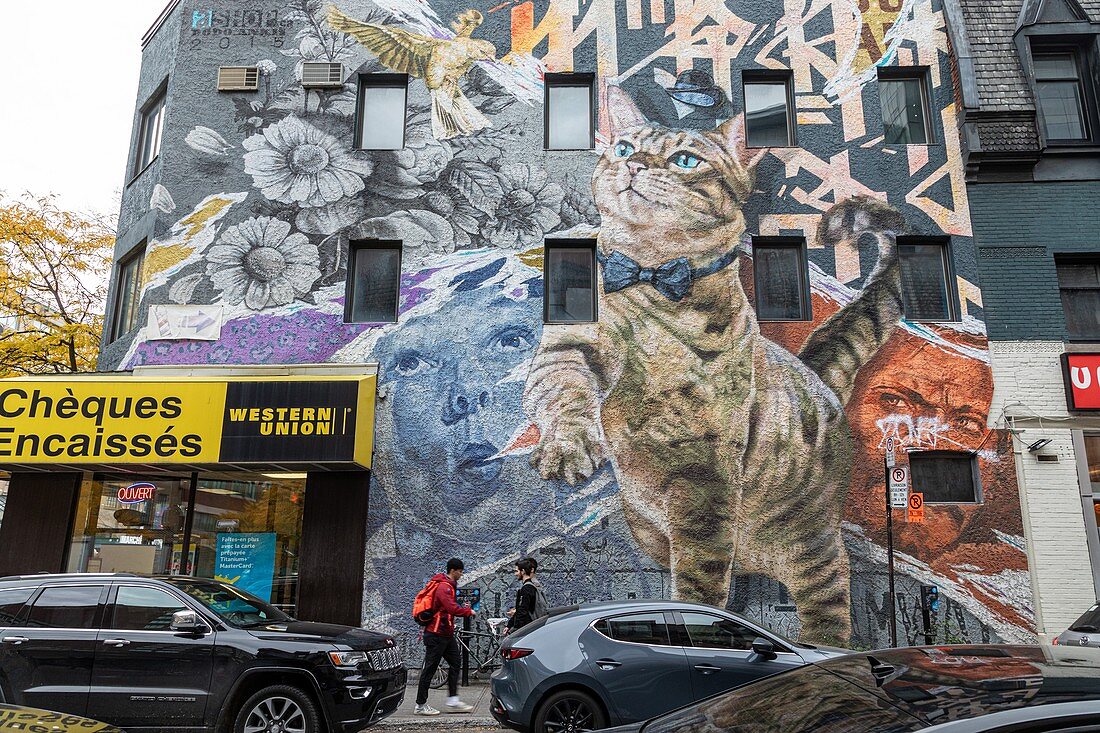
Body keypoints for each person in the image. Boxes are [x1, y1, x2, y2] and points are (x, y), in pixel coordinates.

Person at [415, 558, 476, 716]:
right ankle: (420, 705)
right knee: (430, 669)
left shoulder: (449, 586)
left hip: (446, 634)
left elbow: (447, 610)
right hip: (436, 634)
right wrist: (468, 612)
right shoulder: (444, 587)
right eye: (460, 571)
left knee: (456, 662)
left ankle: (453, 701)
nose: (462, 574)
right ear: (453, 570)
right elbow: (451, 608)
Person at [506, 557, 547, 632]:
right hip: (531, 628)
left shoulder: (527, 588)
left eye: (517, 571)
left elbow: (523, 611)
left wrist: (515, 629)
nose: (515, 574)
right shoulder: (531, 586)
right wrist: (509, 625)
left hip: (527, 629)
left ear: (523, 571)